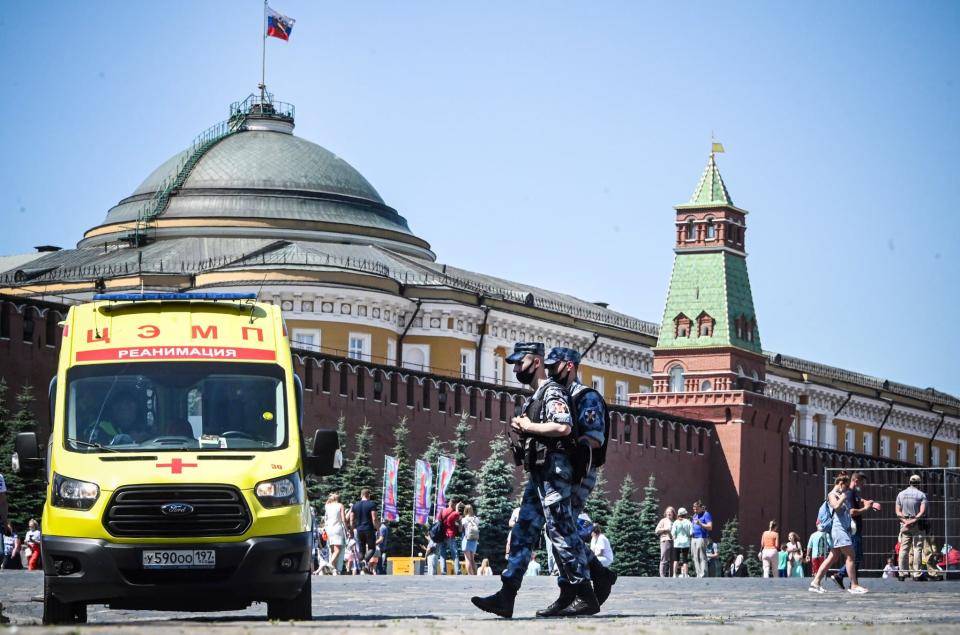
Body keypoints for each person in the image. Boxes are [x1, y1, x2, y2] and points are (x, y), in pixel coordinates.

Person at [472, 343, 596, 619]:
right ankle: (507, 596)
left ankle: (586, 593)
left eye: (520, 362)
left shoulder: (552, 391)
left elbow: (563, 426)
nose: (516, 368)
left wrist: (528, 427)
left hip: (554, 472)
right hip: (540, 473)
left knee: (560, 531)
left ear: (537, 361)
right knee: (523, 530)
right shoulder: (538, 395)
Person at [544, 347, 617, 614]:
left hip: (578, 473)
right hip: (561, 472)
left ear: (570, 366)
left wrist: (570, 459)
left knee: (560, 528)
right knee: (558, 529)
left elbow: (593, 438)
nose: (550, 372)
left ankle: (583, 585)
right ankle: (582, 584)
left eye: (554, 367)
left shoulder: (586, 397)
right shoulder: (560, 396)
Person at [809, 473, 868, 594]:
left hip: (842, 530)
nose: (847, 489)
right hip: (838, 530)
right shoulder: (832, 495)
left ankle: (815, 582)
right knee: (851, 555)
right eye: (846, 486)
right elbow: (836, 506)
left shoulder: (840, 494)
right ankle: (854, 585)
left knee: (832, 557)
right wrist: (843, 497)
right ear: (840, 485)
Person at [831, 471, 878, 589]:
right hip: (853, 529)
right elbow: (851, 512)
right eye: (862, 482)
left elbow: (858, 499)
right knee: (854, 557)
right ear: (856, 481)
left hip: (855, 529)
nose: (863, 485)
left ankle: (846, 579)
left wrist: (868, 503)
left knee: (856, 557)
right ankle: (847, 580)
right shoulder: (849, 493)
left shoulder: (854, 493)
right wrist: (866, 508)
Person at [896, 474, 927, 581]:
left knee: (903, 549)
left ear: (909, 482)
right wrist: (914, 520)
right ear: (919, 483)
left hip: (904, 525)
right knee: (917, 548)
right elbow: (922, 512)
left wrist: (906, 521)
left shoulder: (901, 494)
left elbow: (897, 511)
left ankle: (902, 573)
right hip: (917, 524)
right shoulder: (921, 495)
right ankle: (917, 574)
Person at [349, 488, 378, 566]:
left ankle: (362, 568)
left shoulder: (355, 505)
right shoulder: (371, 504)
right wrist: (377, 528)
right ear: (369, 495)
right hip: (369, 529)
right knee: (372, 548)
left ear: (361, 495)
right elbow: (374, 518)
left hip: (359, 530)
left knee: (361, 550)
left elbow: (351, 519)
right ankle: (365, 560)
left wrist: (351, 530)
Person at [436, 498, 461, 575]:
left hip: (441, 535)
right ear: (453, 504)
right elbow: (457, 515)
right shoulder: (453, 512)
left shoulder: (442, 511)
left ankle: (443, 571)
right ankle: (457, 571)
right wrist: (457, 508)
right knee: (455, 553)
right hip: (450, 535)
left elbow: (438, 519)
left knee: (442, 554)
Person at [324, 493, 347, 573]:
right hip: (337, 528)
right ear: (338, 499)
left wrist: (330, 498)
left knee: (332, 550)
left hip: (328, 529)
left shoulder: (327, 506)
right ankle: (329, 564)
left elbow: (327, 503)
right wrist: (346, 529)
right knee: (338, 550)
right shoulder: (340, 505)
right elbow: (343, 519)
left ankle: (333, 569)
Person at [690, 500, 713, 578]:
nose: (695, 510)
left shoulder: (706, 514)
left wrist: (700, 524)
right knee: (694, 556)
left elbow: (710, 527)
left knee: (701, 556)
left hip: (702, 538)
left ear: (701, 508)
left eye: (696, 509)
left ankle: (704, 574)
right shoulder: (694, 515)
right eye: (694, 509)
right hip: (693, 538)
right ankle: (698, 574)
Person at [671, 507, 693, 577]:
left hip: (677, 543)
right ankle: (686, 574)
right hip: (685, 542)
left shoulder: (676, 522)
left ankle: (674, 574)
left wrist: (675, 537)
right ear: (685, 514)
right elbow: (691, 533)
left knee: (676, 559)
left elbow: (673, 533)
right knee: (685, 559)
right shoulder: (688, 522)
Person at [656, 506, 676, 577]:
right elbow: (657, 530)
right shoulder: (663, 520)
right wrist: (665, 529)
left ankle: (672, 576)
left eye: (670, 512)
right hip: (665, 540)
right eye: (667, 512)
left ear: (673, 513)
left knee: (673, 560)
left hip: (674, 542)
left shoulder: (675, 521)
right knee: (664, 559)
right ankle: (662, 576)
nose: (668, 513)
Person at [461, 504, 480, 575]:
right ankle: (474, 574)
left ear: (465, 510)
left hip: (466, 539)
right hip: (474, 540)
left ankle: (470, 575)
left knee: (467, 559)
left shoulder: (464, 519)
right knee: (472, 559)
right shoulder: (476, 519)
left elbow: (460, 530)